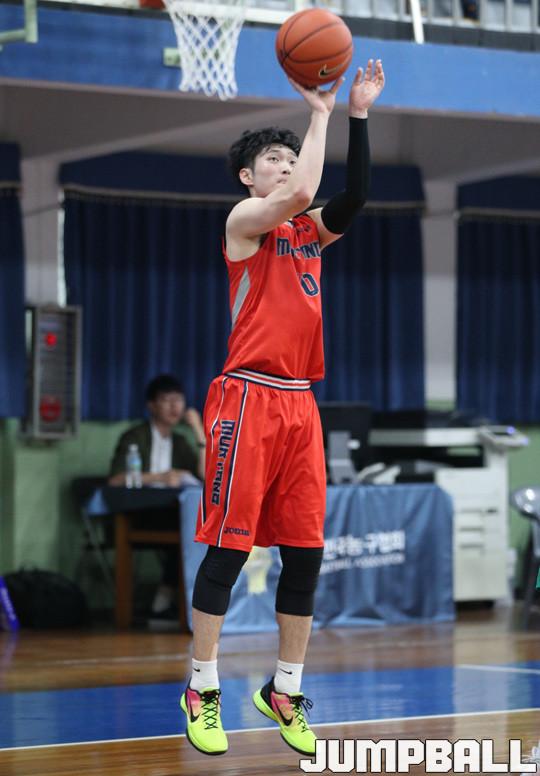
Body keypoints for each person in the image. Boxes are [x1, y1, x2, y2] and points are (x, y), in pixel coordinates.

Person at [180, 60, 385, 756]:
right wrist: (319, 113)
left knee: (305, 556)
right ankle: (202, 687)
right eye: (275, 158)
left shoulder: (307, 233)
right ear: (248, 176)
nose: (289, 166)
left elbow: (355, 194)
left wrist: (357, 116)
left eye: (292, 157)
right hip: (247, 396)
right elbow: (302, 191)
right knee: (229, 549)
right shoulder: (244, 221)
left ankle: (285, 689)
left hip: (300, 405)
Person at [109, 374, 206, 618]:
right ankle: (165, 599)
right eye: (166, 400)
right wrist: (160, 477)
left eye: (179, 400)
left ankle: (174, 601)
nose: (174, 407)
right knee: (187, 529)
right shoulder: (135, 436)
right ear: (151, 405)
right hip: (140, 513)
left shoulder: (180, 441)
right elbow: (116, 479)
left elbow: (205, 475)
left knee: (197, 527)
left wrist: (199, 431)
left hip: (173, 512)